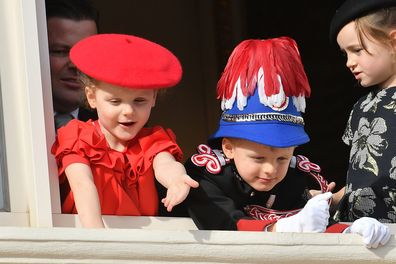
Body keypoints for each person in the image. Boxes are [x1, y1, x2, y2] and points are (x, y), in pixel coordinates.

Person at [184, 37, 391, 248]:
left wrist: (350, 230)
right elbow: (225, 225)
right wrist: (280, 228)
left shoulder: (292, 179)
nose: (270, 169)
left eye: (282, 158)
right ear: (228, 148)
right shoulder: (202, 177)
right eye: (258, 157)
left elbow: (315, 226)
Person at [51, 34, 199, 228]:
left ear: (153, 98)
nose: (128, 111)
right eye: (115, 101)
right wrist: (97, 237)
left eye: (139, 101)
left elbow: (165, 164)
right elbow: (82, 185)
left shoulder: (153, 139)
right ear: (92, 97)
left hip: (140, 240)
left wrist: (177, 179)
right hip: (88, 235)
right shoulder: (77, 136)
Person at [328, 0, 396, 223]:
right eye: (345, 54)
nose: (349, 62)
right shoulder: (362, 106)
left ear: (393, 42)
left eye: (357, 50)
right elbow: (363, 180)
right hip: (359, 234)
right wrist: (331, 198)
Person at [45, 0, 99, 130]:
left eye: (86, 53)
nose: (75, 65)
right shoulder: (8, 120)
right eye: (60, 51)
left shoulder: (120, 128)